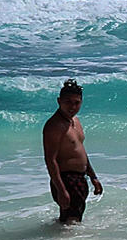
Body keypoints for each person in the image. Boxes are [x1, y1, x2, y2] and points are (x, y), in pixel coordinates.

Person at [42, 80, 102, 225]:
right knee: (72, 223)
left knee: (69, 221)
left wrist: (93, 176)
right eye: (68, 102)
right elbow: (50, 160)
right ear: (59, 101)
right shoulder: (55, 125)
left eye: (77, 102)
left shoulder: (75, 120)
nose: (73, 106)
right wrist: (61, 189)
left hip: (80, 178)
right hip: (66, 179)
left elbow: (80, 150)